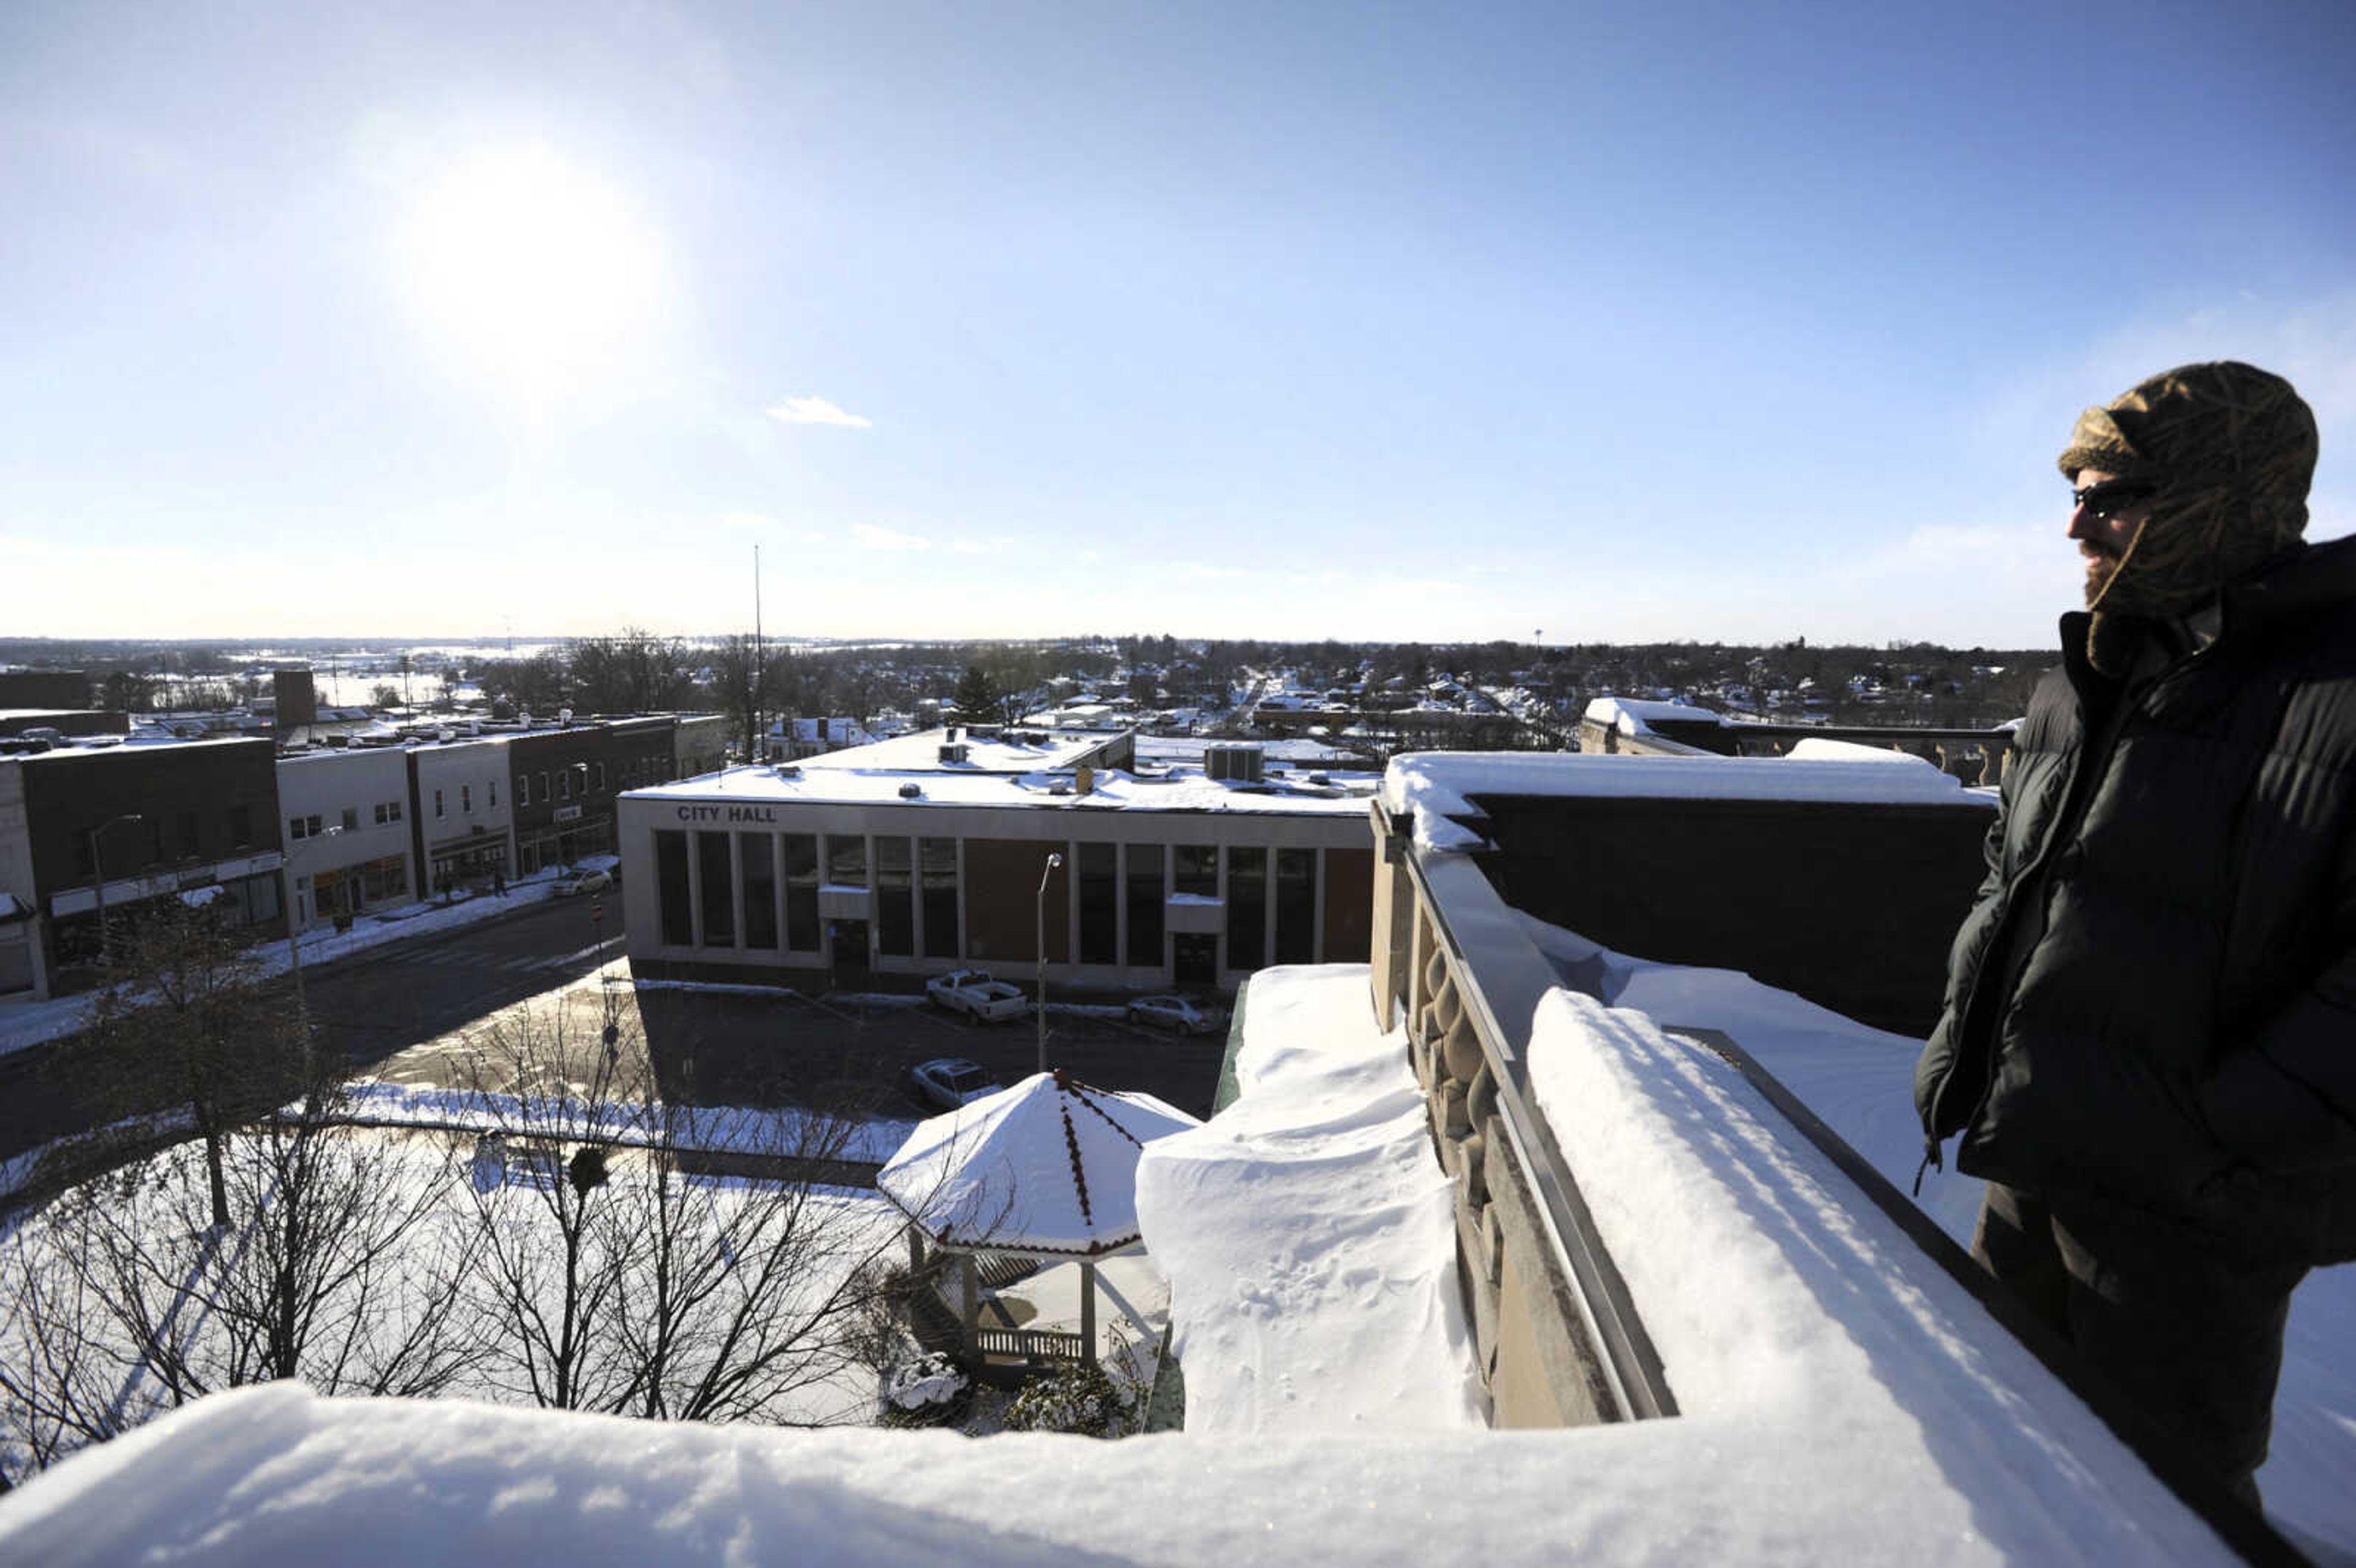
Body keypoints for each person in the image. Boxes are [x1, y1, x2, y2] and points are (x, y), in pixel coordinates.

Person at [1914, 360, 2352, 1504]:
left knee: (2168, 1511)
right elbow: (2014, 879)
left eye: (2112, 497)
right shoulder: (2086, 671)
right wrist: (1970, 1053)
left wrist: (2219, 1133)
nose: (2075, 526)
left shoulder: (2342, 683)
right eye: (2076, 495)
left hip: (2193, 1212)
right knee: (1999, 1464)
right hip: (2033, 1151)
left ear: (2222, 495)